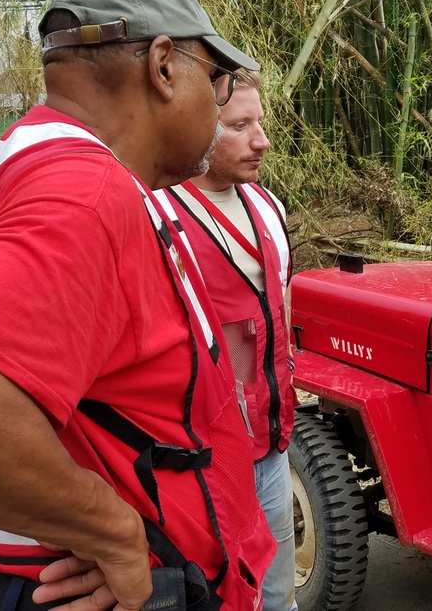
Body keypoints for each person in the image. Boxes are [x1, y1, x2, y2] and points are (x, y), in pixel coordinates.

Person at [0, 0, 274, 611]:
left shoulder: (0, 168)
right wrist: (114, 532)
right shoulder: (85, 193)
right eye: (220, 78)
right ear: (164, 66)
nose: (221, 98)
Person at [162, 68, 298, 611]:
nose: (261, 141)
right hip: (204, 457)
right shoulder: (158, 215)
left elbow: (282, 317)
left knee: (279, 588)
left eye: (259, 123)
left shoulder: (269, 207)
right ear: (196, 123)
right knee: (220, 591)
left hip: (271, 442)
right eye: (240, 125)